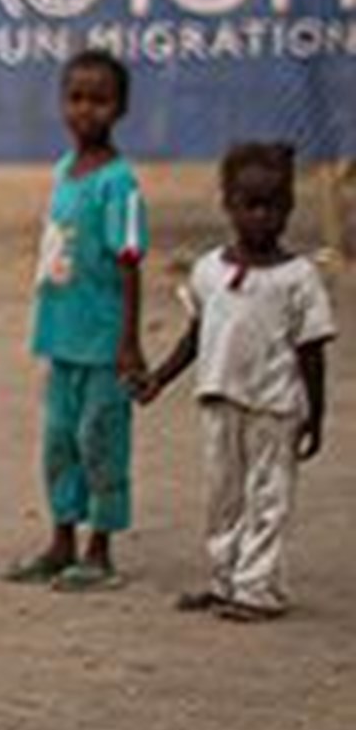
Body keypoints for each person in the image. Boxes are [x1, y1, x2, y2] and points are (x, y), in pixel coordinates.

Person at [139, 141, 334, 621]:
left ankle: (258, 589)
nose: (262, 217)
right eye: (251, 205)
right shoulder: (209, 270)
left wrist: (316, 414)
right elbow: (197, 334)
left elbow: (311, 352)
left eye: (274, 207)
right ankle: (225, 578)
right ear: (228, 205)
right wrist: (160, 378)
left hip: (274, 408)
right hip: (218, 401)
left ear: (289, 209)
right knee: (222, 495)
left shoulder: (299, 278)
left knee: (268, 498)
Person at [6, 50, 147, 590]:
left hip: (104, 341)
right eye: (76, 98)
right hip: (61, 336)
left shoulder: (120, 184)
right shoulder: (64, 172)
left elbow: (130, 262)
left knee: (101, 440)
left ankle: (100, 548)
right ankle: (61, 538)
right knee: (59, 440)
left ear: (119, 109)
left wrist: (129, 342)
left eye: (99, 100)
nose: (85, 110)